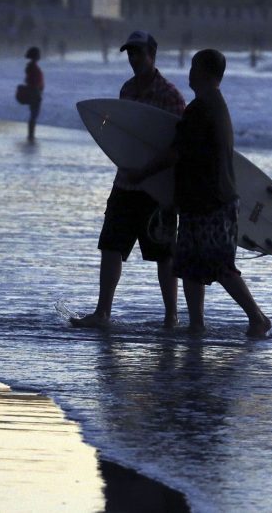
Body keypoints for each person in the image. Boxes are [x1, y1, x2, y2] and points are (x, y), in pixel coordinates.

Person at [127, 49, 271, 338]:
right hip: (201, 199)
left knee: (220, 264)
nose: (189, 73)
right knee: (190, 265)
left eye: (193, 67)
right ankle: (196, 324)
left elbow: (175, 153)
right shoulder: (214, 104)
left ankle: (258, 317)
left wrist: (142, 174)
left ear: (204, 72)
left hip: (212, 201)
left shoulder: (201, 109)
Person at [70, 30, 186, 330]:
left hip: (158, 189)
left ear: (152, 54)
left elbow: (178, 146)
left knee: (164, 254)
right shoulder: (127, 90)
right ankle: (102, 312)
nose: (133, 59)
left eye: (138, 53)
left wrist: (154, 178)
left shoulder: (170, 96)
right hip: (125, 183)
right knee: (110, 246)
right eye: (130, 53)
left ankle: (171, 316)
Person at [23, 46, 44, 143]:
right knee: (34, 114)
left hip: (34, 91)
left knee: (33, 114)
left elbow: (28, 80)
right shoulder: (33, 67)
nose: (40, 56)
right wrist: (37, 92)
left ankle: (31, 135)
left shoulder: (31, 66)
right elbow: (33, 81)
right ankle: (31, 135)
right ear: (35, 56)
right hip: (34, 92)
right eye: (38, 54)